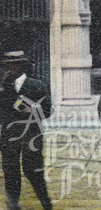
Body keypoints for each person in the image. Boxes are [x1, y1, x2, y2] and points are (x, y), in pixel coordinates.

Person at [0, 50, 53, 210]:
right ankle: (13, 205)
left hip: (31, 134)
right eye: (7, 66)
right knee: (10, 171)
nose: (8, 69)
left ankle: (46, 203)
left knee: (33, 171)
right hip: (9, 135)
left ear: (21, 67)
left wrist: (30, 110)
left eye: (13, 65)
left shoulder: (37, 84)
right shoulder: (3, 88)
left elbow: (47, 111)